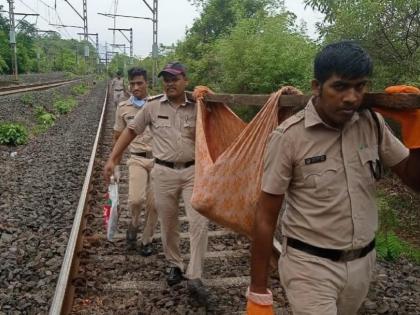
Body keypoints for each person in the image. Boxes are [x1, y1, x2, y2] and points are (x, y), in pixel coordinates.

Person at [248, 41, 420, 315]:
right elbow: (266, 215)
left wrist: (415, 133)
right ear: (317, 87)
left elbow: (414, 180)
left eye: (359, 86)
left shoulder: (371, 124)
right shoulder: (289, 137)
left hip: (362, 264)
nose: (351, 97)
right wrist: (258, 293)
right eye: (340, 87)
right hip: (309, 267)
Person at [104, 62, 210, 305]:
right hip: (162, 171)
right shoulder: (153, 107)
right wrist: (113, 159)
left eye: (174, 78)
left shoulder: (199, 105)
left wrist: (209, 95)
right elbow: (129, 132)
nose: (170, 83)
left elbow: (220, 120)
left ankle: (195, 275)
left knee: (199, 222)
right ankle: (175, 264)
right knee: (169, 222)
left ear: (185, 79)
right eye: (166, 79)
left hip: (194, 171)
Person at [113, 67, 158, 256]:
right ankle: (133, 223)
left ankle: (147, 239)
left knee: (155, 204)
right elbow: (117, 137)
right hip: (136, 159)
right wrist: (115, 164)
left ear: (147, 83)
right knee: (136, 199)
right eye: (132, 83)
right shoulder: (123, 108)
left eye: (139, 83)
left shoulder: (158, 104)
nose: (135, 87)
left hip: (158, 160)